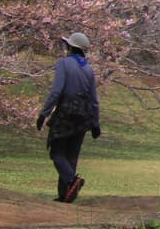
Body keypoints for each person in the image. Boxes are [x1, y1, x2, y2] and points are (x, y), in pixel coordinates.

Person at [36, 31, 101, 204]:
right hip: (84, 116)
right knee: (71, 156)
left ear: (71, 47)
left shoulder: (64, 63)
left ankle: (72, 182)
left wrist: (44, 114)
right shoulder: (88, 69)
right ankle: (65, 195)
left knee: (57, 153)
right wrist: (95, 122)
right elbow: (94, 99)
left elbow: (56, 91)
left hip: (66, 113)